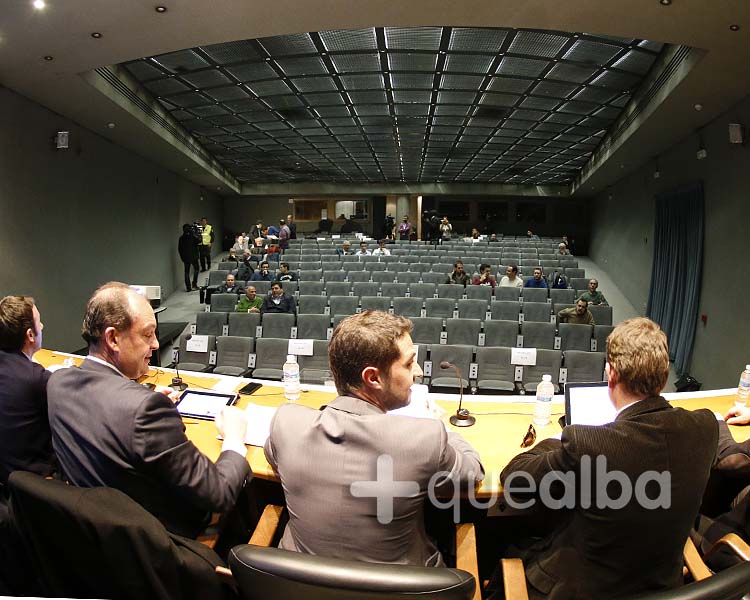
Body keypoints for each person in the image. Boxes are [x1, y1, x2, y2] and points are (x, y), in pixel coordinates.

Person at [497, 317, 718, 599]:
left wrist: (555, 442)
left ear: (610, 373)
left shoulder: (586, 443)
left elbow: (515, 480)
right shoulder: (705, 428)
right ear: (664, 376)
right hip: (664, 587)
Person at [264, 311, 484, 566]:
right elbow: (473, 473)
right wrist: (443, 429)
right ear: (373, 378)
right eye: (409, 362)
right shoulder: (425, 438)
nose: (419, 372)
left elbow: (274, 455)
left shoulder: (287, 423)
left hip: (297, 585)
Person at [47, 283, 251, 538]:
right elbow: (217, 494)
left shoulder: (57, 383)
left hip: (91, 535)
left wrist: (141, 396)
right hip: (161, 544)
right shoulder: (144, 410)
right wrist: (233, 439)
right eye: (147, 334)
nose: (156, 344)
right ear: (112, 339)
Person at [0, 296, 56, 487]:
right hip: (33, 483)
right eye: (39, 322)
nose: (43, 326)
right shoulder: (36, 379)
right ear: (30, 335)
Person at [178, 223, 200, 292]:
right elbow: (199, 241)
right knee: (196, 269)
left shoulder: (181, 238)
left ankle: (188, 287)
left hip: (185, 258)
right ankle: (194, 284)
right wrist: (196, 232)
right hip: (194, 257)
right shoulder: (192, 236)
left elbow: (179, 249)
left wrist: (182, 257)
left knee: (186, 272)